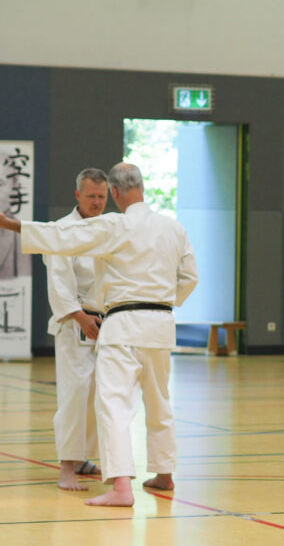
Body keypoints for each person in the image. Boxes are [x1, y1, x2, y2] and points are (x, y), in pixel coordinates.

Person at [0, 162, 199, 506]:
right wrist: (163, 303)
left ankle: (122, 488)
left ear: (116, 194)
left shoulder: (114, 225)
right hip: (161, 323)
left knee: (114, 406)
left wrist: (8, 224)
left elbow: (60, 237)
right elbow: (190, 278)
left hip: (122, 325)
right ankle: (164, 474)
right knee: (159, 400)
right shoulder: (173, 227)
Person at [45, 168, 109, 490]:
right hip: (75, 325)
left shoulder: (112, 228)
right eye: (91, 197)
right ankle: (66, 467)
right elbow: (58, 283)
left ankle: (84, 457)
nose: (97, 203)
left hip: (108, 323)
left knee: (101, 393)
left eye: (102, 197)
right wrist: (80, 315)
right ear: (77, 196)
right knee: (75, 394)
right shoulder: (62, 231)